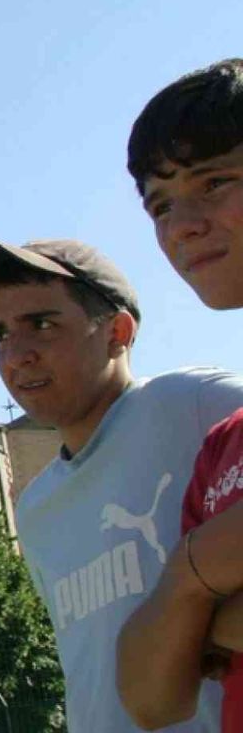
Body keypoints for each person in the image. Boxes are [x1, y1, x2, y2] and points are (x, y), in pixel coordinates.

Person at [0, 235, 243, 732]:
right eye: (0, 335)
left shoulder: (193, 404)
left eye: (41, 324)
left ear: (117, 332)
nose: (16, 355)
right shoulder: (36, 508)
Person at [119, 58, 243, 731]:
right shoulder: (224, 445)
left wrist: (199, 615)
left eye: (215, 181)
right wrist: (198, 575)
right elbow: (150, 697)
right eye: (160, 204)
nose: (181, 225)